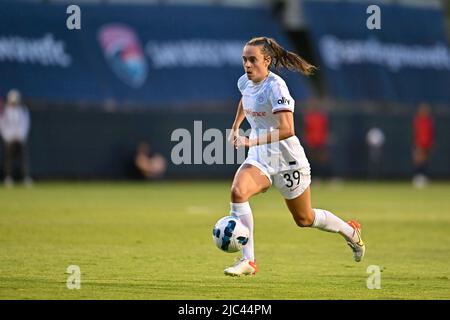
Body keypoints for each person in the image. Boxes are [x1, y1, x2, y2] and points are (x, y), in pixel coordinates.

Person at [224, 37, 365, 276]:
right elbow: (244, 99)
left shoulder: (276, 87)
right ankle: (249, 261)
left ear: (266, 60)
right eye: (244, 60)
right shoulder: (245, 82)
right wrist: (236, 126)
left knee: (304, 218)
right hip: (260, 158)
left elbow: (288, 129)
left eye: (252, 60)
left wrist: (251, 139)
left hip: (288, 161)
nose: (247, 65)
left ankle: (350, 231)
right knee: (238, 192)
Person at [0, 89, 32, 187]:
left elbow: (25, 124)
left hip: (20, 140)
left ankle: (26, 178)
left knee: (23, 160)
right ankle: (8, 178)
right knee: (8, 160)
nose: (14, 102)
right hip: (9, 140)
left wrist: (20, 136)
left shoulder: (22, 111)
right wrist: (8, 137)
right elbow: (2, 125)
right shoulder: (5, 112)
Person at [303, 98, 332, 181]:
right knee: (312, 160)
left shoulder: (321, 117)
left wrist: (326, 138)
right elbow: (306, 129)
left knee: (323, 160)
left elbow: (325, 129)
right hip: (311, 141)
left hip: (321, 141)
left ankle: (327, 178)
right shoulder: (308, 117)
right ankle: (314, 178)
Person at [412, 102, 434, 188]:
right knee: (418, 162)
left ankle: (423, 178)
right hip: (419, 144)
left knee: (424, 162)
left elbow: (431, 133)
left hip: (427, 144)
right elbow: (416, 133)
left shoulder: (429, 121)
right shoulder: (417, 120)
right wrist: (416, 145)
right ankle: (417, 179)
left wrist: (431, 143)